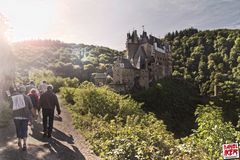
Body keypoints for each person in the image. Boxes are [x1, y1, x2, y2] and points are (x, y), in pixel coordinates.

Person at [10, 86, 34, 151]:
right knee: (24, 129)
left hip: (16, 116)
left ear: (19, 90)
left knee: (18, 129)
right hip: (25, 116)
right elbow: (31, 107)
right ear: (25, 91)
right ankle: (25, 144)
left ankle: (19, 140)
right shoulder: (27, 97)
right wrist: (33, 114)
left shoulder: (14, 98)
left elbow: (11, 107)